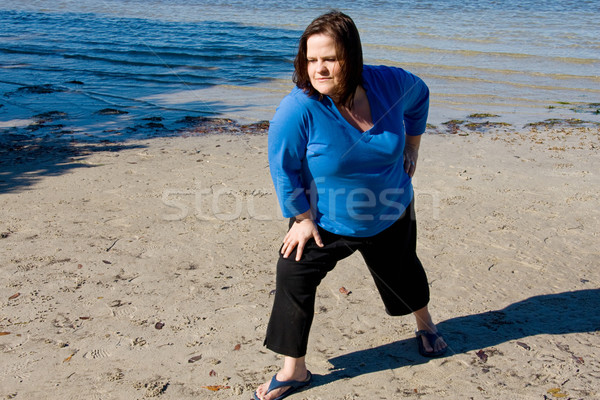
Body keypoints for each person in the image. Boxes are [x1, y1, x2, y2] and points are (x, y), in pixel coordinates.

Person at [254, 10, 448, 400]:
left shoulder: (389, 83)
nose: (319, 69)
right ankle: (294, 371)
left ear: (352, 57)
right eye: (311, 60)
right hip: (326, 218)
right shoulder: (298, 109)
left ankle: (424, 324)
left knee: (404, 271)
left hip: (390, 207)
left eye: (330, 59)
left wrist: (413, 145)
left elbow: (420, 95)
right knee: (292, 273)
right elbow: (283, 166)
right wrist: (301, 218)